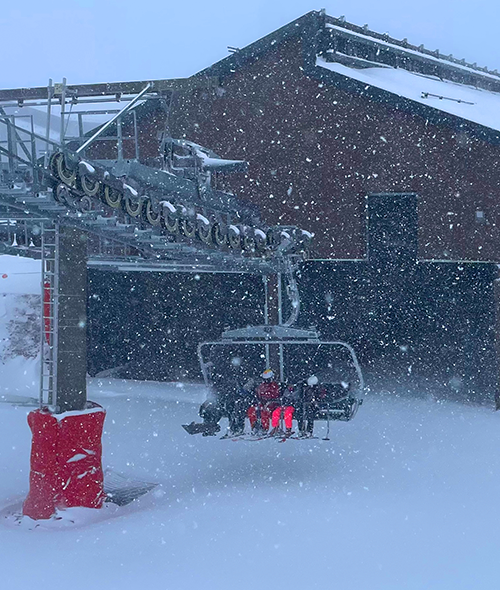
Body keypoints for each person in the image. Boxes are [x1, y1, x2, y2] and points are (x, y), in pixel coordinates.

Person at [247, 369, 281, 435]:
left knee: (264, 412)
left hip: (272, 406)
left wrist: (268, 402)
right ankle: (254, 427)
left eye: (268, 380)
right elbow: (258, 396)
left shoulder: (275, 386)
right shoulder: (261, 386)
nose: (266, 381)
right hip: (262, 404)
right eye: (265, 380)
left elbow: (276, 397)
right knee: (251, 410)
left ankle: (264, 428)